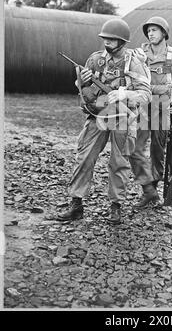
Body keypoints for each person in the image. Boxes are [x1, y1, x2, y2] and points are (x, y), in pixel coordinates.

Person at [57, 18, 152, 224]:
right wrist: (83, 79)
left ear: (122, 42)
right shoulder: (95, 59)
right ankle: (76, 204)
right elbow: (83, 89)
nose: (107, 43)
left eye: (111, 40)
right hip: (98, 115)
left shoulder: (134, 62)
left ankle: (115, 207)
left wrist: (124, 94)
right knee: (84, 157)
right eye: (105, 39)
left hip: (123, 118)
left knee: (119, 162)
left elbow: (146, 95)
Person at [130, 16, 172, 209]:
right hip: (143, 106)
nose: (150, 33)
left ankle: (153, 187)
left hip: (163, 107)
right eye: (148, 30)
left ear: (164, 33)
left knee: (158, 150)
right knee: (135, 147)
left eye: (154, 30)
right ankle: (148, 189)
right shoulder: (139, 55)